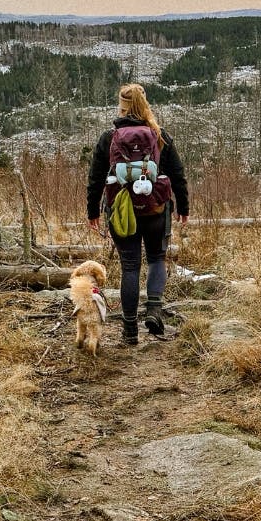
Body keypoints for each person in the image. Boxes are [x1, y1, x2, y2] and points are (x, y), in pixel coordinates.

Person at [86, 84, 189, 345]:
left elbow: (96, 177)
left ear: (121, 107)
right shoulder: (159, 135)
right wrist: (184, 207)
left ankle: (130, 330)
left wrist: (92, 210)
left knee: (130, 266)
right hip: (156, 208)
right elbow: (177, 174)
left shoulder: (109, 138)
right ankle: (154, 310)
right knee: (156, 259)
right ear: (145, 104)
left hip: (122, 210)